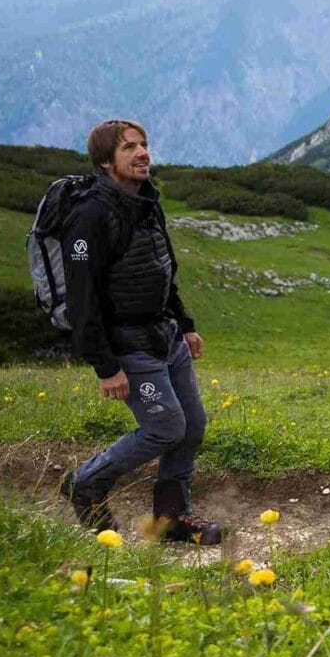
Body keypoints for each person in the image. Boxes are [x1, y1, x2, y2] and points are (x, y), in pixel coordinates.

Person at [59, 119, 224, 545]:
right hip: (128, 346)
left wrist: (185, 326)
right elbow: (82, 299)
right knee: (165, 427)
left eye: (144, 144)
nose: (142, 153)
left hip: (165, 336)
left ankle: (171, 520)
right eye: (129, 147)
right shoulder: (89, 215)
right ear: (105, 161)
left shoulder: (147, 202)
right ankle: (85, 482)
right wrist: (105, 366)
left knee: (192, 426)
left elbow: (162, 271)